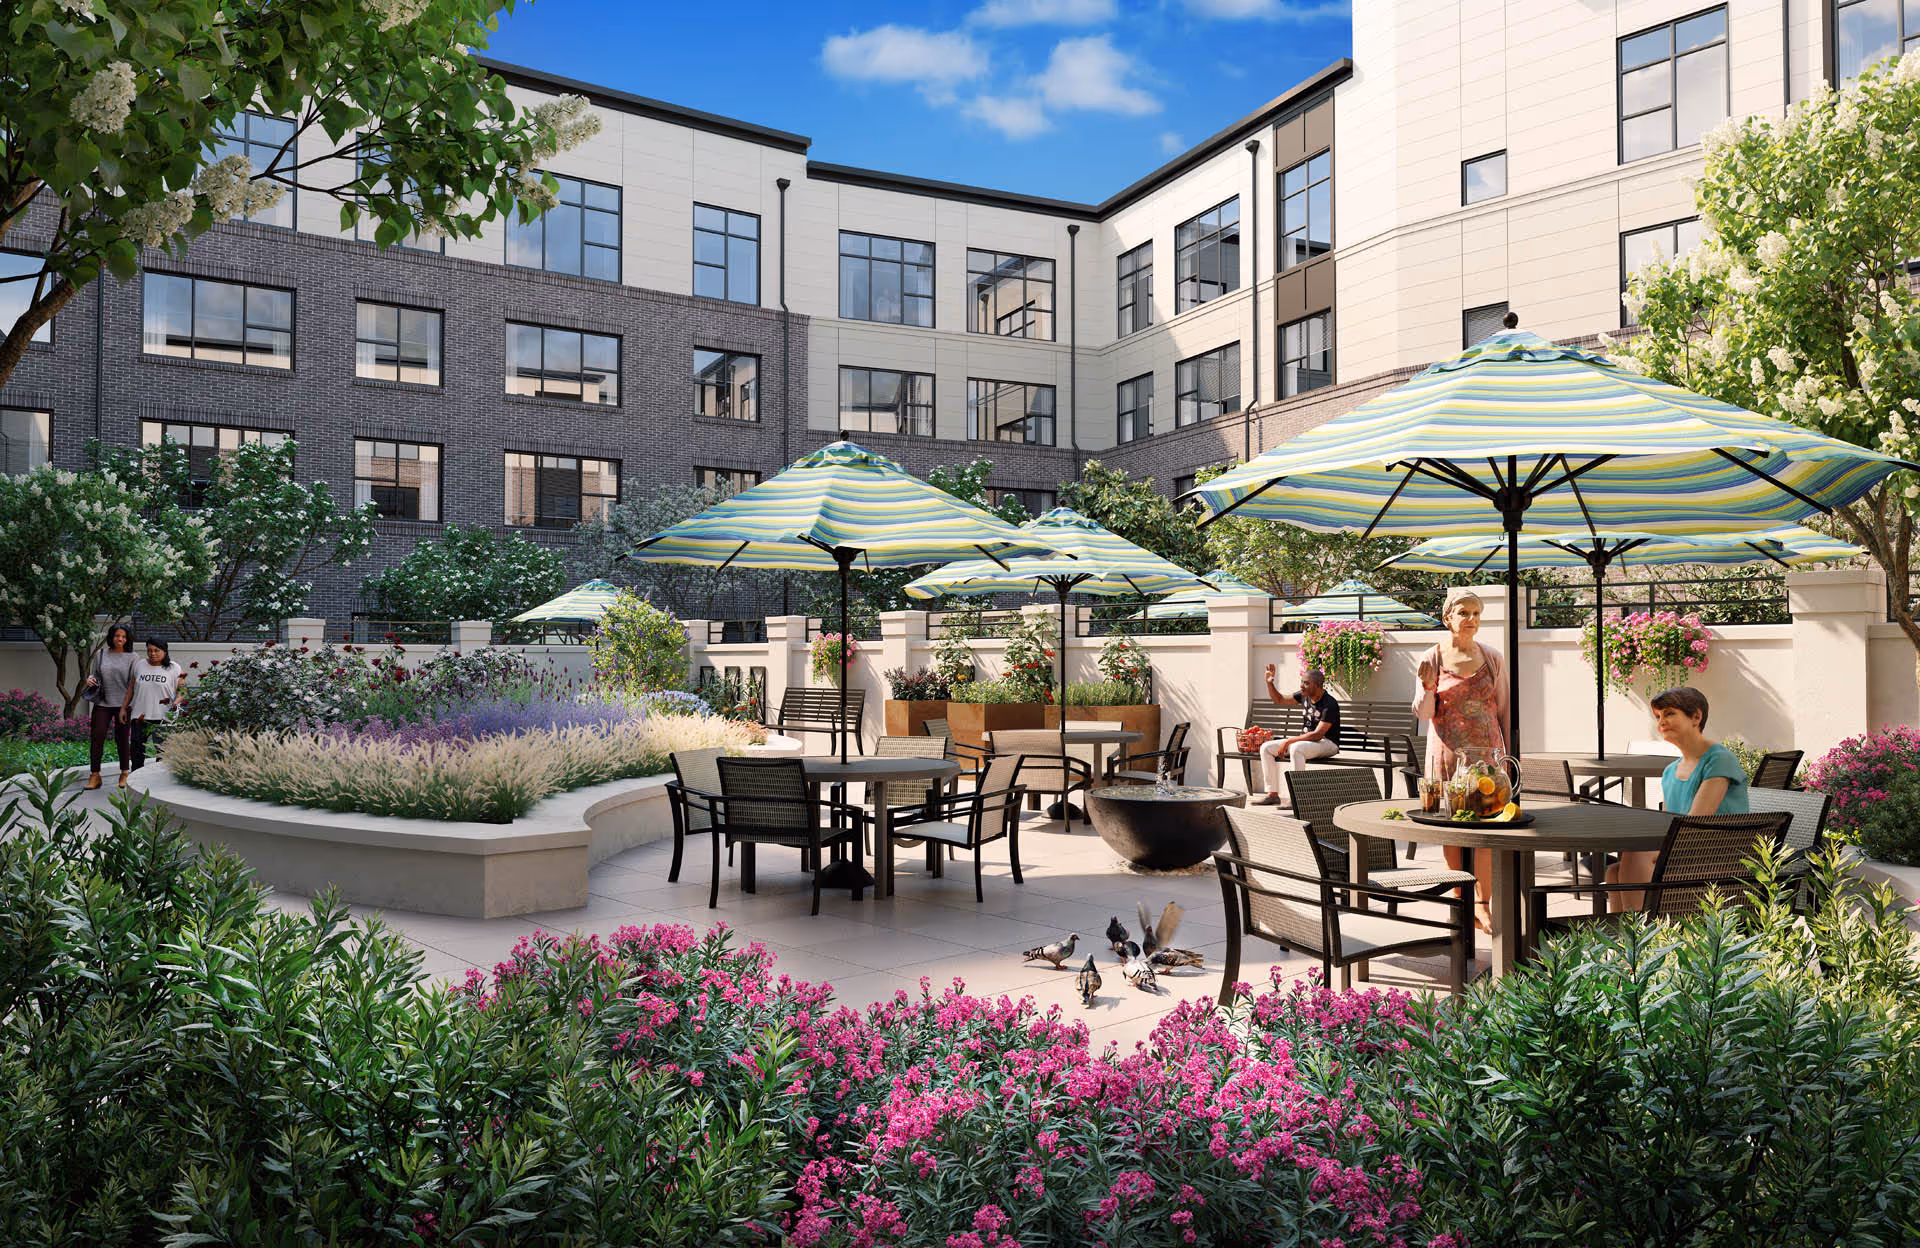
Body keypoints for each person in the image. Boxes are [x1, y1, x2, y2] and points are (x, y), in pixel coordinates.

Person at [1411, 589, 1509, 933]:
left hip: (1487, 756)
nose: (1471, 619)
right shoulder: (1432, 656)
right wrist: (1426, 687)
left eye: (1476, 614)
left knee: (1487, 828)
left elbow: (1503, 709)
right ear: (1448, 618)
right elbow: (1424, 713)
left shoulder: (1493, 657)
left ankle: (1483, 905)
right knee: (1452, 829)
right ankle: (1460, 898)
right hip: (1447, 755)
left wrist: (1509, 757)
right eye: (1463, 612)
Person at [1608, 686, 1749, 912]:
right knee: (1614, 872)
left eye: (1670, 713)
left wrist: (1653, 854)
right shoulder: (1670, 772)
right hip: (1688, 850)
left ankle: (1642, 938)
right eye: (1658, 716)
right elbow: (1665, 826)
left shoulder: (1720, 760)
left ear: (1696, 717)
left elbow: (1696, 822)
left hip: (1720, 856)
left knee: (1635, 856)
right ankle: (1628, 941)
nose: (1662, 721)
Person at [1252, 665, 1340, 805]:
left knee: (1296, 748)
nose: (1302, 686)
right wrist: (1269, 683)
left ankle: (1298, 797)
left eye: (1306, 683)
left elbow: (1317, 735)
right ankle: (1272, 794)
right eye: (1302, 682)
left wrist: (1289, 741)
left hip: (1327, 743)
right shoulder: (1304, 696)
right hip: (1307, 743)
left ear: (1318, 685)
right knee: (1266, 748)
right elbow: (1279, 700)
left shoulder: (1330, 704)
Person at [82, 624, 138, 790]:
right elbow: (95, 674)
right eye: (117, 636)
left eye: (123, 636)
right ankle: (95, 775)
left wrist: (125, 706)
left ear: (127, 639)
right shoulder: (101, 654)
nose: (120, 639)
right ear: (111, 637)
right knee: (97, 737)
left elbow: (132, 684)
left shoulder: (133, 657)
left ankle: (124, 773)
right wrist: (90, 679)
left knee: (122, 739)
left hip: (123, 704)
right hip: (103, 703)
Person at [123, 639, 184, 774]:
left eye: (156, 650)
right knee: (136, 751)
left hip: (163, 717)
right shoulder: (139, 665)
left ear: (165, 651)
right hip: (139, 716)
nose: (152, 653)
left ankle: (157, 783)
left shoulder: (174, 668)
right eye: (149, 650)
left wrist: (177, 701)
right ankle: (136, 781)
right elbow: (131, 689)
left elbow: (183, 690)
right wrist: (123, 708)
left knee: (162, 753)